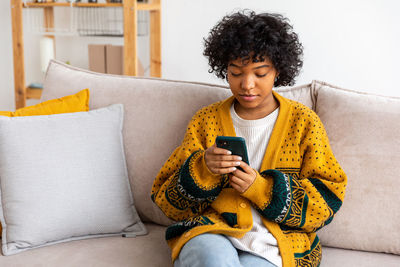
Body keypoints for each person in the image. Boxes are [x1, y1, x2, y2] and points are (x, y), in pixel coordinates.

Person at [151, 10, 347, 267]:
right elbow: (167, 202)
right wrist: (203, 170)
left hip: (276, 246)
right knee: (212, 259)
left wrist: (262, 189)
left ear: (278, 70)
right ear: (224, 69)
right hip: (212, 233)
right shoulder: (205, 120)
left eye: (260, 73)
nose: (247, 84)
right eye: (236, 72)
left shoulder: (304, 123)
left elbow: (327, 200)